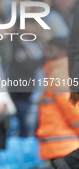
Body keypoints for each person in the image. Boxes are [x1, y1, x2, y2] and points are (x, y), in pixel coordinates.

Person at [37, 38, 79, 169]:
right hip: (67, 146)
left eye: (50, 50)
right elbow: (73, 110)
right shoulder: (62, 73)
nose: (46, 54)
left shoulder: (59, 72)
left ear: (62, 52)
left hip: (63, 146)